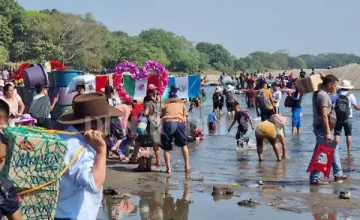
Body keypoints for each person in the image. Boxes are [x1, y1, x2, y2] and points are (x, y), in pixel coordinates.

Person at [55, 92, 123, 219]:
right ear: (94, 125)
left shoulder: (63, 137)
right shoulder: (80, 148)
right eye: (105, 122)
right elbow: (93, 184)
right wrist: (101, 150)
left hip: (60, 211)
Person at [310, 74, 348, 185]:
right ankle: (314, 178)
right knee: (321, 153)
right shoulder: (323, 96)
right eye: (335, 85)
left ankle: (338, 174)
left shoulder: (318, 93)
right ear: (330, 84)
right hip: (322, 128)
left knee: (334, 149)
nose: (336, 88)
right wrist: (327, 132)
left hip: (321, 127)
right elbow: (323, 115)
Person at [161, 98, 190, 175]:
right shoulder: (182, 105)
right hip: (178, 122)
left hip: (167, 123)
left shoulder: (165, 106)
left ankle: (168, 169)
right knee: (184, 145)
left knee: (166, 148)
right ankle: (187, 166)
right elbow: (185, 119)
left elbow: (162, 117)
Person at [134, 87, 162, 166]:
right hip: (156, 125)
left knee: (137, 141)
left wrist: (142, 116)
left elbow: (146, 113)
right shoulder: (156, 104)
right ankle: (158, 161)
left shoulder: (147, 103)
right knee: (155, 144)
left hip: (149, 125)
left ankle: (134, 158)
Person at [332, 80, 360, 151]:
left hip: (337, 117)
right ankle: (349, 150)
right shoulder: (350, 95)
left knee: (337, 134)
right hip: (348, 117)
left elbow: (330, 105)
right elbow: (356, 107)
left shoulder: (336, 94)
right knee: (348, 134)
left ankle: (335, 150)